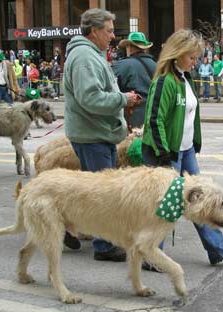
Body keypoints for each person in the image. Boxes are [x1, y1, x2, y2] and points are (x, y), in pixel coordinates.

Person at [141, 29, 223, 270]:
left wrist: (193, 142)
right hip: (167, 152)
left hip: (185, 150)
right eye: (192, 57)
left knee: (202, 201)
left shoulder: (185, 79)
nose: (195, 61)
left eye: (197, 57)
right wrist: (164, 154)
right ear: (176, 54)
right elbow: (154, 119)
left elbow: (189, 115)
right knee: (163, 206)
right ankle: (152, 257)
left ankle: (218, 249)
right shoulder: (164, 81)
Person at [63, 8, 139, 262]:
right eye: (108, 31)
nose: (112, 36)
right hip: (92, 135)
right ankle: (104, 246)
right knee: (102, 193)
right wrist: (123, 99)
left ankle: (68, 224)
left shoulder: (91, 54)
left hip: (96, 133)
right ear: (94, 31)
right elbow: (90, 98)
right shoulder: (85, 57)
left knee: (92, 189)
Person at [112, 31, 156, 128]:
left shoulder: (122, 65)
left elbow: (110, 90)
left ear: (130, 48)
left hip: (132, 122)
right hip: (154, 119)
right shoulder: (156, 65)